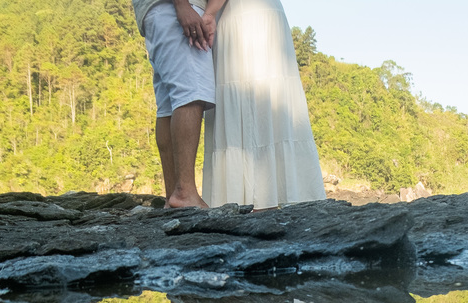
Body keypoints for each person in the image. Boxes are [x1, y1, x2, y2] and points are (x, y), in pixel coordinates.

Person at [198, 0, 327, 209]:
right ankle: (273, 198)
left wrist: (209, 13)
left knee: (248, 93)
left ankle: (249, 200)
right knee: (265, 93)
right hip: (265, 14)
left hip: (241, 16)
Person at [133, 0, 217, 208]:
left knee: (169, 106)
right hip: (175, 9)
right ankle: (185, 192)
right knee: (190, 94)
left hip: (156, 12)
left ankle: (174, 195)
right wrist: (182, 5)